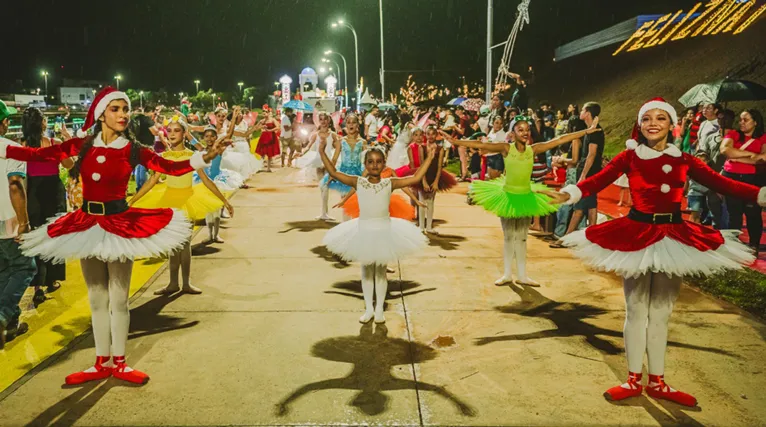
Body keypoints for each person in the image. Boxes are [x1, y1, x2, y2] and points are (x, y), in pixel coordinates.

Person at [542, 97, 766, 407]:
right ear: (640, 124)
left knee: (661, 313)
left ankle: (658, 381)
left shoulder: (685, 160)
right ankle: (633, 378)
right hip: (636, 234)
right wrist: (569, 192)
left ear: (672, 125)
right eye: (647, 118)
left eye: (661, 118)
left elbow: (723, 183)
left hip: (673, 236)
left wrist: (760, 194)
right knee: (635, 310)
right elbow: (597, 180)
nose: (653, 123)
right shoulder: (629, 157)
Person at [0, 87, 225, 385]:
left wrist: (204, 156)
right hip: (86, 225)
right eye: (116, 109)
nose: (123, 114)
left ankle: (119, 361)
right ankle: (100, 362)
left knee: (118, 300)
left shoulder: (133, 149)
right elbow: (40, 154)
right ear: (102, 113)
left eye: (125, 109)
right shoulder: (83, 145)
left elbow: (168, 166)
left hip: (121, 225)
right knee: (96, 299)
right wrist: (5, 147)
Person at [441, 118, 598, 286]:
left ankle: (522, 275)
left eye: (527, 130)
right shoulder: (506, 148)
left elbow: (559, 139)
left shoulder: (533, 149)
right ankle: (507, 274)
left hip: (526, 196)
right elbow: (482, 145)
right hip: (508, 197)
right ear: (513, 133)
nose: (525, 133)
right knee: (509, 237)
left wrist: (586, 131)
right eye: (520, 130)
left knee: (522, 238)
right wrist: (455, 141)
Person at [319, 141, 433, 324]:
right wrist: (321, 151)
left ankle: (379, 308)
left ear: (384, 163)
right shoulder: (358, 181)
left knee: (380, 272)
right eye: (370, 162)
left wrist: (429, 158)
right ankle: (369, 309)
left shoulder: (390, 183)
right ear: (365, 165)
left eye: (379, 161)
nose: (374, 165)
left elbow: (415, 178)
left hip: (384, 230)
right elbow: (333, 173)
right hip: (364, 230)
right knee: (366, 271)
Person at [131, 114, 234, 295]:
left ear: (184, 133)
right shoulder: (163, 156)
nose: (171, 134)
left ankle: (186, 283)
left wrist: (224, 200)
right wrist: (132, 200)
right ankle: (172, 283)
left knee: (185, 244)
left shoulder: (193, 156)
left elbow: (206, 180)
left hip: (187, 201)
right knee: (172, 245)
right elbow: (152, 181)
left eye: (176, 130)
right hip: (168, 203)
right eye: (169, 130)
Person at [21, 108, 71, 305]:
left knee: (37, 237)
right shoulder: (53, 144)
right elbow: (69, 164)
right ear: (41, 124)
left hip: (33, 193)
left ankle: (38, 286)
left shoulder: (22, 146)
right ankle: (53, 279)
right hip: (54, 192)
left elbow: (21, 178)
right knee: (55, 235)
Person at [0, 100, 35, 349]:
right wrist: (24, 222)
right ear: (4, 122)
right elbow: (15, 185)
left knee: (4, 271)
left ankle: (11, 323)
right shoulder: (11, 148)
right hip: (8, 221)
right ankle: (2, 316)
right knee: (25, 267)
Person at [720, 109, 766, 253]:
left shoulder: (763, 138)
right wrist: (752, 155)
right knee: (734, 213)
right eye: (740, 119)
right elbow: (725, 150)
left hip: (752, 179)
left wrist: (738, 157)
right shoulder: (733, 134)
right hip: (731, 177)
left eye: (746, 120)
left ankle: (754, 245)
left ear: (756, 122)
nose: (741, 123)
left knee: (753, 213)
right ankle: (734, 245)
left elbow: (763, 158)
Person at [404, 126, 457, 234]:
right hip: (423, 176)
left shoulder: (440, 149)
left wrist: (436, 181)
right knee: (422, 200)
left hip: (434, 177)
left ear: (436, 135)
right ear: (426, 135)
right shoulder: (421, 148)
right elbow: (421, 166)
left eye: (433, 134)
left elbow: (439, 167)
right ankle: (421, 226)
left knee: (431, 202)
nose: (431, 136)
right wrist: (423, 181)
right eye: (428, 134)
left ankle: (429, 227)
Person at [564, 102, 604, 235]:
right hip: (590, 170)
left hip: (588, 171)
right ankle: (593, 233)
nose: (580, 112)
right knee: (591, 203)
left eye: (582, 110)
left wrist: (583, 175)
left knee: (580, 205)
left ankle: (567, 236)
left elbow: (591, 154)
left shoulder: (595, 132)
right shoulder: (591, 130)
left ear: (587, 113)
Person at [296, 112, 341, 221]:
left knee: (325, 187)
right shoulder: (315, 135)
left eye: (325, 119)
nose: (323, 122)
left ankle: (324, 213)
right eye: (321, 119)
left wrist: (334, 160)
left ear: (329, 121)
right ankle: (324, 213)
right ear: (319, 121)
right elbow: (308, 146)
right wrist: (302, 153)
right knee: (323, 187)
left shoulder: (333, 135)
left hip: (329, 162)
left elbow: (339, 148)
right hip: (318, 161)